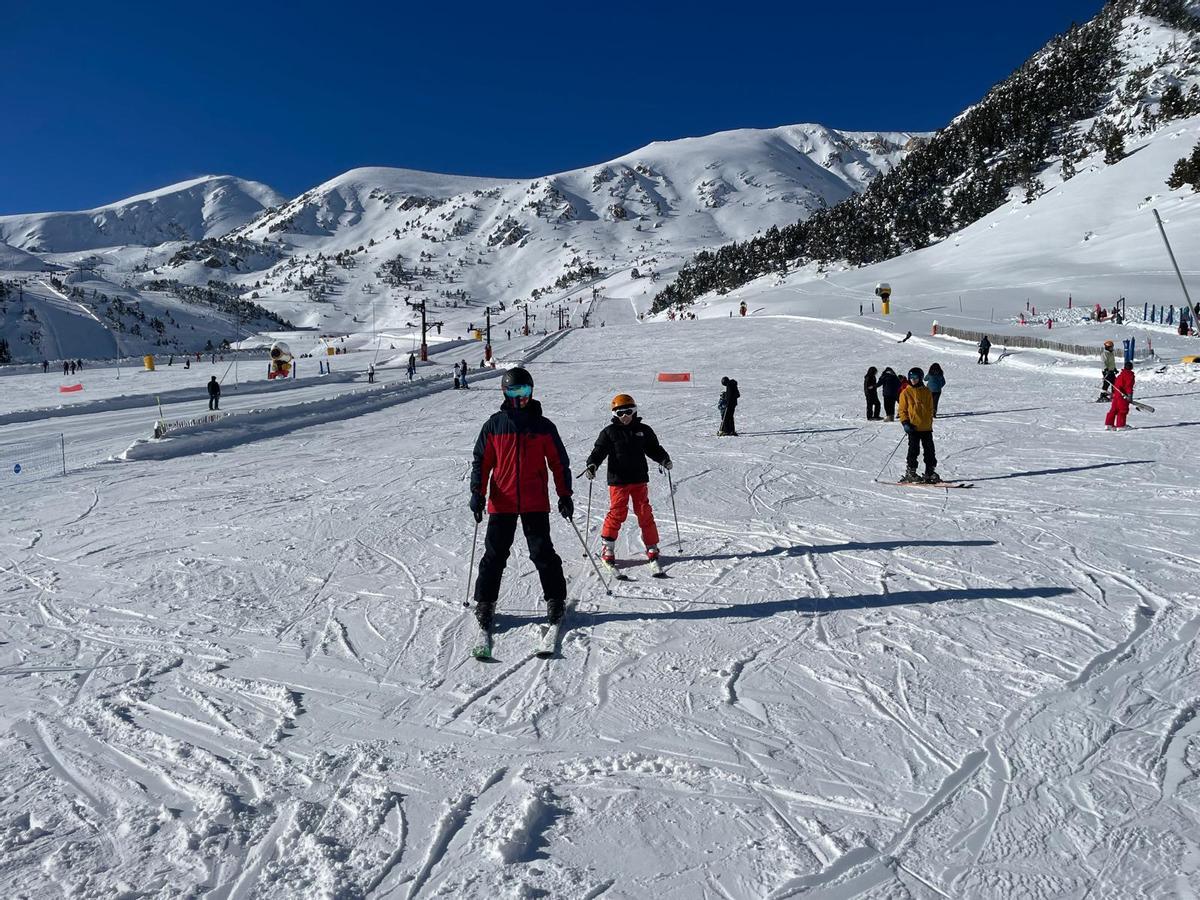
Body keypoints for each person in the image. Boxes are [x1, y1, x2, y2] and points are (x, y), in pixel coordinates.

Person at [469, 367, 572, 641]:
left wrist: (565, 494)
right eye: (513, 392)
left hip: (534, 501)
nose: (519, 398)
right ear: (504, 393)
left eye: (524, 392)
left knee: (542, 553)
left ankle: (555, 599)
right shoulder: (494, 424)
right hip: (501, 502)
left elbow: (558, 463)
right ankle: (485, 602)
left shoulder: (543, 426)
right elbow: (482, 461)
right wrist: (477, 493)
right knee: (494, 556)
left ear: (531, 392)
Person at [585, 394, 671, 566]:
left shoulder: (643, 430)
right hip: (618, 480)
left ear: (635, 411)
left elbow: (653, 448)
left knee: (644, 511)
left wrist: (664, 459)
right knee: (618, 512)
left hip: (639, 478)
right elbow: (599, 451)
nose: (625, 416)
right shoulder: (609, 432)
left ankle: (652, 545)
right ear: (615, 415)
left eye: (628, 411)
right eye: (620, 413)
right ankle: (607, 546)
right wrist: (592, 464)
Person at [897, 367, 938, 483]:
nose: (913, 380)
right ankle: (911, 472)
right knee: (914, 450)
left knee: (930, 451)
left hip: (926, 427)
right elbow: (902, 410)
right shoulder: (906, 392)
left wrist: (929, 421)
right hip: (913, 427)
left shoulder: (927, 391)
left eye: (915, 377)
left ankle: (930, 472)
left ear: (920, 378)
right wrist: (905, 423)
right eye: (911, 377)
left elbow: (930, 408)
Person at [1106, 361, 1136, 430]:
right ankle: (1121, 425)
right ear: (1131, 367)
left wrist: (1113, 394)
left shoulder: (1121, 375)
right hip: (1122, 396)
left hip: (1116, 395)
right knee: (1122, 410)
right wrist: (1129, 395)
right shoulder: (1129, 375)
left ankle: (1108, 424)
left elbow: (1116, 385)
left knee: (1113, 410)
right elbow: (1128, 386)